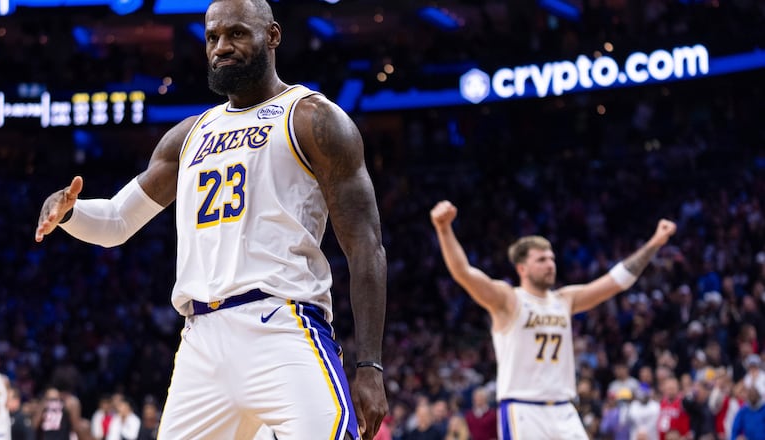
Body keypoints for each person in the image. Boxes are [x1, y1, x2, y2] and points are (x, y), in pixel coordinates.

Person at [34, 0, 387, 438]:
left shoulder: (313, 118)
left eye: (237, 33)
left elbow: (365, 246)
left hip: (280, 325)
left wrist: (369, 364)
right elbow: (118, 222)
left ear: (272, 36)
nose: (222, 46)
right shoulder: (188, 135)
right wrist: (69, 212)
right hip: (201, 340)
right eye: (212, 37)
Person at [430, 200, 677, 439]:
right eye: (541, 260)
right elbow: (464, 273)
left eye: (551, 259)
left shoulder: (565, 299)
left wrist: (655, 242)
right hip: (523, 408)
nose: (550, 265)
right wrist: (444, 229)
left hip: (564, 408)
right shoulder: (508, 300)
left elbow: (616, 281)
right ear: (521, 269)